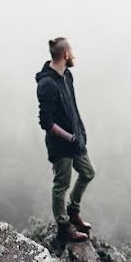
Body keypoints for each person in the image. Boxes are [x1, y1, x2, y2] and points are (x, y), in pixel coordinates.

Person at [35, 37, 95, 243]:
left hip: (76, 140)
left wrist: (80, 132)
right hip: (61, 145)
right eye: (72, 51)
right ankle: (63, 226)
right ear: (66, 55)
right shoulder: (47, 84)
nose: (74, 55)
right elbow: (46, 122)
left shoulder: (66, 76)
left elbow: (72, 108)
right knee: (62, 184)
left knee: (88, 172)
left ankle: (73, 210)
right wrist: (68, 136)